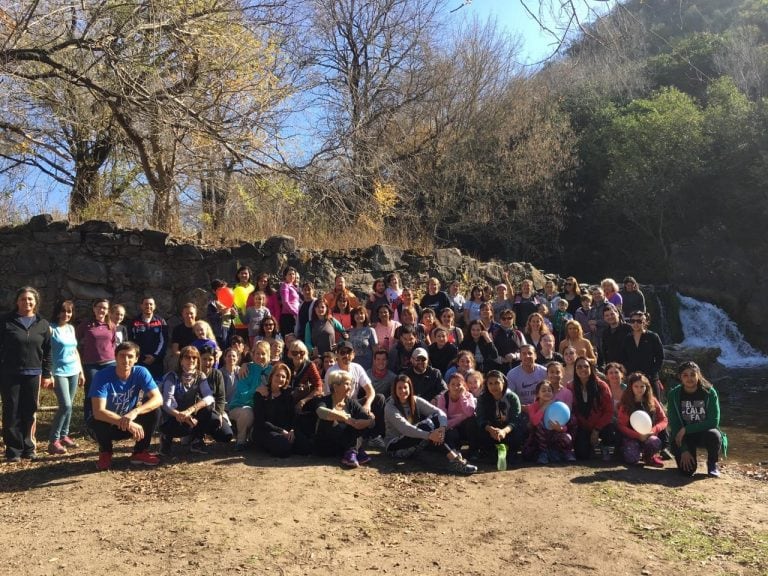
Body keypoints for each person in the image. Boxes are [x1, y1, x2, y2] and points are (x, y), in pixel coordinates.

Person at [88, 341, 162, 470]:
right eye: (122, 355)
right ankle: (105, 452)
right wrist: (127, 422)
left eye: (130, 356)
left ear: (136, 359)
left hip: (129, 419)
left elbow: (158, 399)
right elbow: (98, 411)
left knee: (155, 411)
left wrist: (135, 412)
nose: (126, 360)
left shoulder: (141, 372)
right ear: (115, 357)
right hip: (108, 424)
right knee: (97, 419)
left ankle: (140, 452)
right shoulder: (102, 376)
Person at [384, 374, 477, 474]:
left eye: (405, 387)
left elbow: (439, 412)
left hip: (418, 441)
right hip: (396, 447)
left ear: (410, 388)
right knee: (428, 425)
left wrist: (442, 428)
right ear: (394, 389)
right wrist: (429, 435)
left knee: (437, 422)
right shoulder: (390, 407)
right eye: (399, 388)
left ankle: (454, 458)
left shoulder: (415, 400)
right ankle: (455, 460)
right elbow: (405, 429)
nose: (403, 391)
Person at [0, 287, 52, 462]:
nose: (27, 302)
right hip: (9, 374)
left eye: (30, 299)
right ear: (17, 301)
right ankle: (13, 449)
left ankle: (29, 447)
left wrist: (47, 374)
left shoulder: (43, 324)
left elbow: (48, 351)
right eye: (23, 299)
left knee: (29, 411)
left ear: (35, 302)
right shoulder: (6, 321)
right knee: (11, 411)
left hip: (33, 374)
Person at [667, 361, 725, 478]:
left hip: (704, 433)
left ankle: (712, 464)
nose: (690, 378)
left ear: (699, 375)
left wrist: (686, 429)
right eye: (685, 375)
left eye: (693, 374)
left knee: (715, 435)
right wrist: (684, 450)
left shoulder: (709, 392)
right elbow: (675, 424)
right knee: (687, 472)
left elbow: (714, 421)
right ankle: (683, 454)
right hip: (683, 437)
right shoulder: (674, 395)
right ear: (680, 377)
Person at [158, 346, 220, 456]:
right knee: (170, 421)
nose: (191, 360)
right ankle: (166, 440)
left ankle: (197, 441)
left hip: (190, 413)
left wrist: (191, 410)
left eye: (194, 357)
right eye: (187, 357)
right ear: (181, 360)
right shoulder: (172, 376)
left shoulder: (200, 375)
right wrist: (180, 415)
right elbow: (166, 404)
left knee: (208, 409)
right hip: (172, 415)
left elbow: (209, 397)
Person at [313, 370, 374, 468]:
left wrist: (369, 420)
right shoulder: (324, 400)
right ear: (335, 386)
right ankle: (355, 450)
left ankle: (352, 451)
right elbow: (320, 411)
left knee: (359, 421)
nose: (350, 388)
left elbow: (366, 418)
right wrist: (344, 417)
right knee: (329, 419)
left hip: (342, 445)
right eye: (346, 384)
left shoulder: (351, 403)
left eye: (351, 384)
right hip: (326, 446)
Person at [48, 300, 84, 455]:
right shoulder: (50, 329)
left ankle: (64, 435)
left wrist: (81, 371)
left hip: (73, 370)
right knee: (66, 405)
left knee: (69, 407)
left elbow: (75, 351)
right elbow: (45, 353)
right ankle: (53, 441)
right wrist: (48, 373)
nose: (66, 314)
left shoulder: (70, 328)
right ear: (57, 312)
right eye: (63, 311)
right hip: (58, 372)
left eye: (69, 311)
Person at [252, 362, 312, 457]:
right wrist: (281, 431)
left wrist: (292, 430)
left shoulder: (288, 394)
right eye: (277, 375)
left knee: (305, 447)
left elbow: (293, 416)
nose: (280, 379)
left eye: (283, 377)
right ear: (271, 376)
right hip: (266, 430)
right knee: (284, 448)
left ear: (287, 380)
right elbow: (261, 420)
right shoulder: (261, 393)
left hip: (285, 431)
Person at [616, 372, 668, 467]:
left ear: (646, 387)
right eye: (636, 386)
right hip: (631, 438)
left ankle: (649, 457)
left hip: (648, 436)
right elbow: (621, 425)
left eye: (642, 386)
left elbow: (664, 420)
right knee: (632, 460)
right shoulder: (626, 404)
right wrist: (638, 435)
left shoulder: (652, 401)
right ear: (631, 387)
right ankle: (624, 451)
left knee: (655, 442)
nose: (639, 389)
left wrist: (654, 430)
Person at [77, 298, 116, 422]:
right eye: (99, 307)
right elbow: (76, 343)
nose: (101, 310)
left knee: (110, 392)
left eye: (104, 308)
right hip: (91, 364)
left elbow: (113, 344)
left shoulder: (111, 325)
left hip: (109, 363)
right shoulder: (85, 325)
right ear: (94, 308)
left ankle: (108, 418)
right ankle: (89, 420)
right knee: (92, 392)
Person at [228, 340, 272, 450]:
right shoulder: (246, 369)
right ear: (252, 354)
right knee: (247, 412)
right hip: (240, 406)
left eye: (263, 353)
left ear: (268, 355)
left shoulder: (272, 370)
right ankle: (241, 441)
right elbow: (243, 395)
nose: (260, 356)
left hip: (262, 407)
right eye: (257, 353)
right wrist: (257, 390)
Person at [570, 357, 616, 461]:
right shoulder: (570, 386)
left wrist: (596, 430)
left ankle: (605, 447)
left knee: (610, 430)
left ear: (591, 368)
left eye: (586, 366)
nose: (583, 369)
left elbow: (609, 411)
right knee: (582, 455)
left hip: (601, 425)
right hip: (583, 426)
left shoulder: (601, 386)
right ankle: (590, 447)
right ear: (575, 370)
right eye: (579, 367)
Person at [475, 371, 522, 464]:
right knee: (474, 425)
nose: (494, 386)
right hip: (491, 429)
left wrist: (504, 431)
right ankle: (488, 452)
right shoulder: (483, 398)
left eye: (497, 383)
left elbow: (515, 419)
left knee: (520, 429)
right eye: (490, 383)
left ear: (503, 383)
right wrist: (490, 429)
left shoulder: (512, 397)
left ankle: (512, 452)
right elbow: (480, 417)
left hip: (508, 429)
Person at [525, 380, 575, 464]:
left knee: (567, 437)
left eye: (549, 390)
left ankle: (565, 452)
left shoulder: (557, 405)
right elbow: (534, 421)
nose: (547, 392)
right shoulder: (533, 407)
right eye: (543, 390)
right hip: (539, 438)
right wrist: (544, 406)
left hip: (554, 435)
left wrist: (560, 428)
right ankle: (544, 453)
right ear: (538, 394)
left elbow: (564, 424)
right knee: (539, 423)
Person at [620, 311, 665, 400]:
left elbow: (660, 357)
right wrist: (627, 373)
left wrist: (653, 372)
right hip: (632, 379)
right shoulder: (627, 339)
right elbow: (623, 358)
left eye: (639, 321)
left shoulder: (653, 337)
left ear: (645, 322)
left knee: (654, 405)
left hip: (650, 377)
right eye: (633, 321)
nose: (636, 323)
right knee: (633, 404)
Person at [435, 373, 478, 456]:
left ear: (464, 386)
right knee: (451, 433)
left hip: (465, 427)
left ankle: (474, 451)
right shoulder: (443, 398)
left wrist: (462, 396)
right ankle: (455, 453)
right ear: (448, 386)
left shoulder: (468, 396)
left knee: (472, 421)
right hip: (451, 427)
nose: (455, 387)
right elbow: (443, 421)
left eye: (459, 384)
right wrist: (462, 417)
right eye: (453, 384)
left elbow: (470, 413)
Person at [128, 296, 168, 382]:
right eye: (146, 304)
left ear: (154, 306)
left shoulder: (161, 321)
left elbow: (164, 341)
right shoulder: (134, 322)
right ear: (141, 306)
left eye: (151, 304)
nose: (148, 306)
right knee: (139, 386)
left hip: (156, 362)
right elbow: (131, 342)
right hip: (139, 360)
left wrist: (154, 356)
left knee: (156, 386)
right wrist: (142, 356)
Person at [206, 279, 234, 349]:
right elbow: (211, 318)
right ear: (214, 291)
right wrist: (220, 313)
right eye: (219, 289)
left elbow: (233, 316)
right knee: (222, 350)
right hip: (220, 333)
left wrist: (234, 314)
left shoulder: (230, 300)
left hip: (231, 330)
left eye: (224, 289)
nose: (222, 292)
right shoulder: (212, 304)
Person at [348, 306, 378, 370]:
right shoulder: (349, 331)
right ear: (353, 316)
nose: (359, 315)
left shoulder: (370, 330)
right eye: (357, 314)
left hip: (367, 366)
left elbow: (375, 350)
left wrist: (375, 365)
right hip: (353, 366)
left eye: (361, 313)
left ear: (365, 315)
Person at [232, 266, 255, 341]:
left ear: (249, 275)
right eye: (241, 273)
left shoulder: (254, 288)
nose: (244, 275)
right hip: (238, 323)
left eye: (246, 273)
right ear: (238, 275)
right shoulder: (233, 289)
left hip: (252, 322)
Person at [278, 266, 302, 335]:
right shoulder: (285, 286)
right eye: (289, 274)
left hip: (293, 316)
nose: (292, 276)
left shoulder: (292, 286)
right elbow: (285, 302)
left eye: (293, 274)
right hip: (288, 317)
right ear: (285, 276)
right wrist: (295, 313)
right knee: (289, 339)